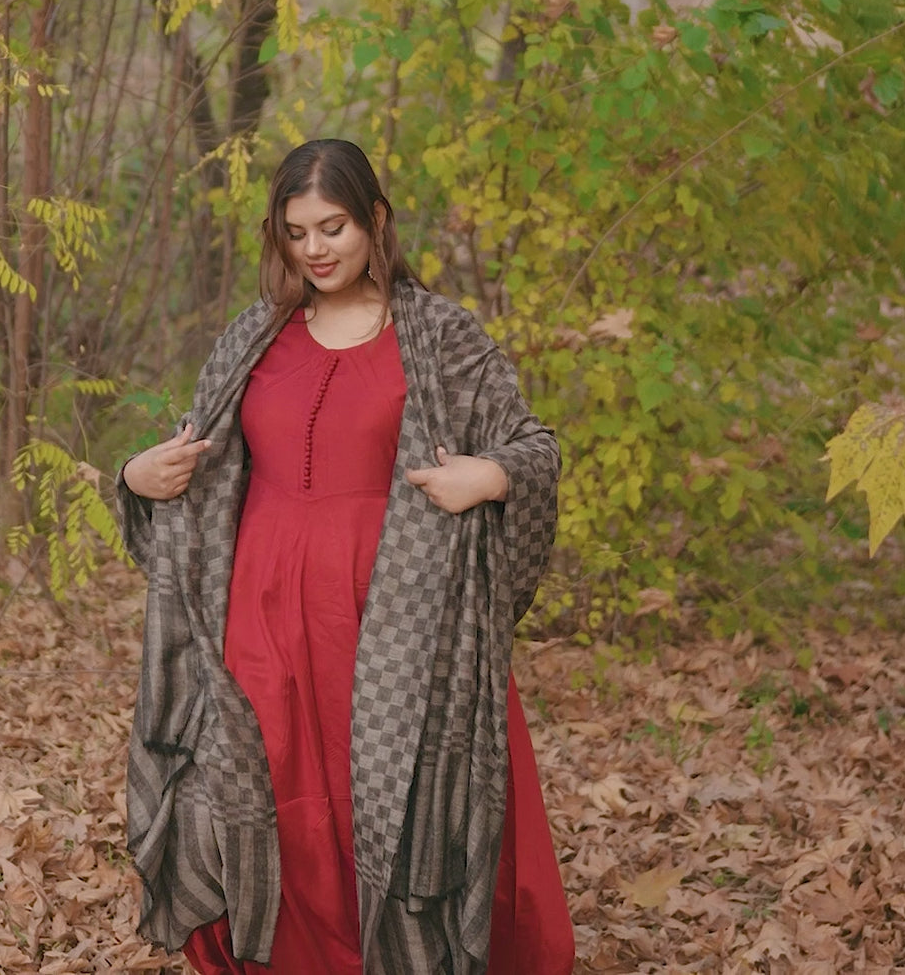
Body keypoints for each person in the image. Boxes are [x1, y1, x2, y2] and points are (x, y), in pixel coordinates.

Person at [117, 137, 575, 975]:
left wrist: (491, 475)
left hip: (397, 619)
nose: (317, 248)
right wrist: (136, 475)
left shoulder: (439, 336)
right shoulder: (255, 336)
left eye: (334, 226)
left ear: (377, 222)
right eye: (297, 232)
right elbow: (196, 463)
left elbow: (533, 447)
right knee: (272, 796)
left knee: (382, 801)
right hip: (259, 614)